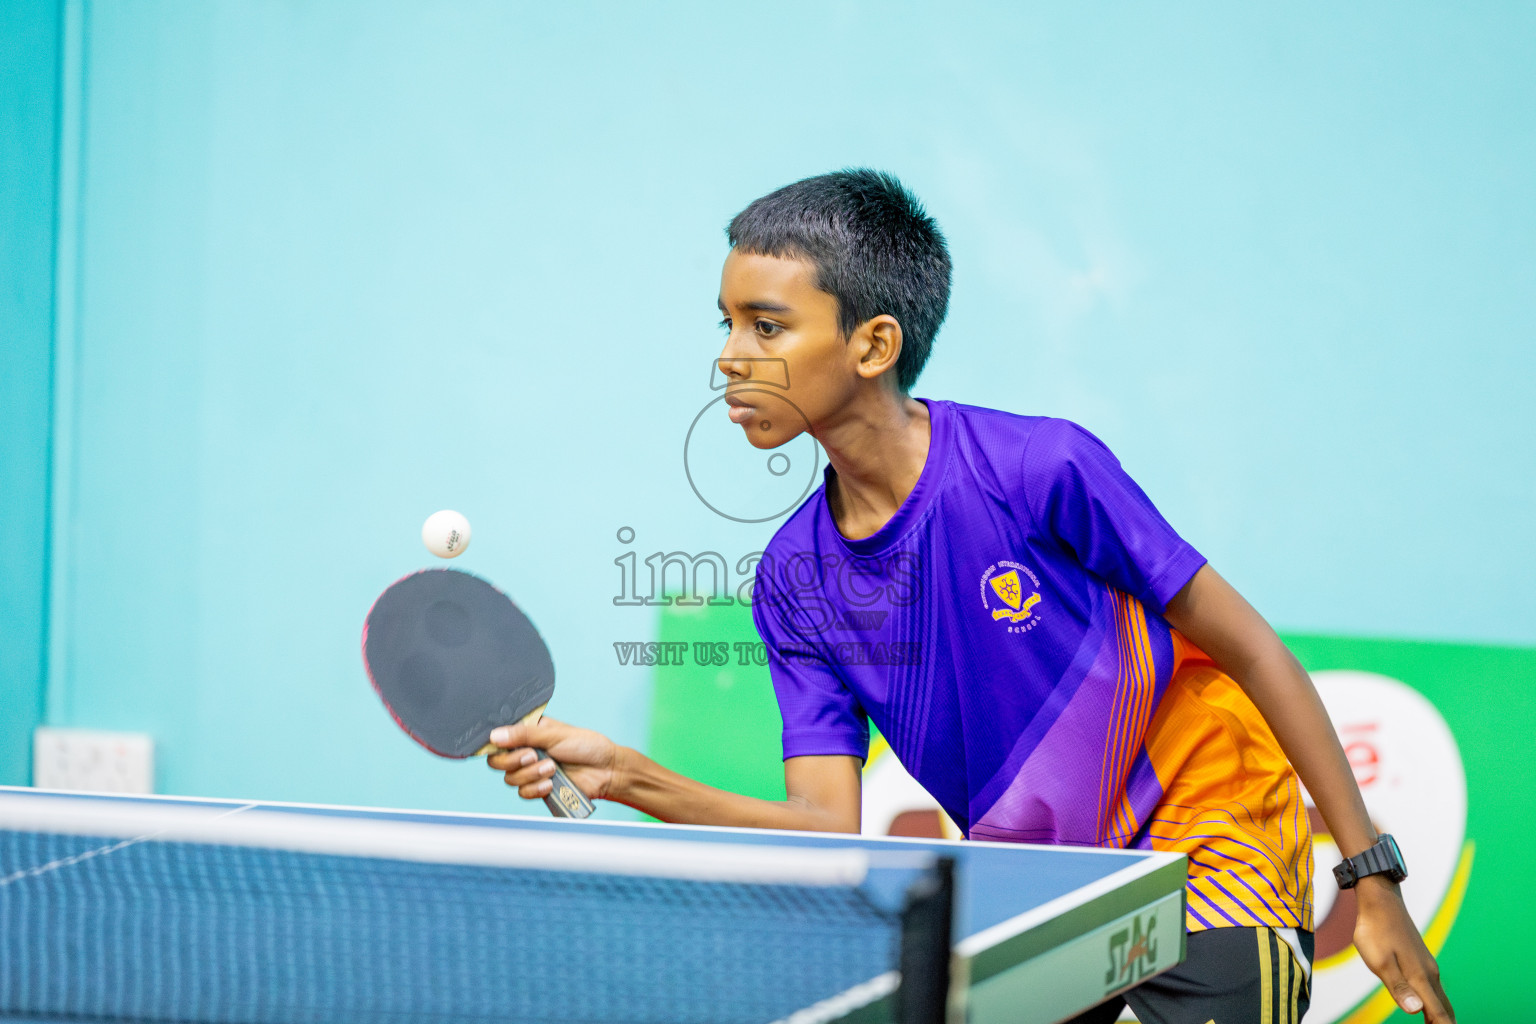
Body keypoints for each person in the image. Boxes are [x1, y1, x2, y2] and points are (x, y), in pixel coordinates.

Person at [487, 169, 1452, 1023]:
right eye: (727, 323)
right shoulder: (794, 579)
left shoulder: (1040, 469)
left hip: (1209, 842)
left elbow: (1255, 650)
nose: (730, 358)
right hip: (1047, 882)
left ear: (873, 343)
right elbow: (828, 826)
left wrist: (1371, 878)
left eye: (767, 326)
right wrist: (623, 775)